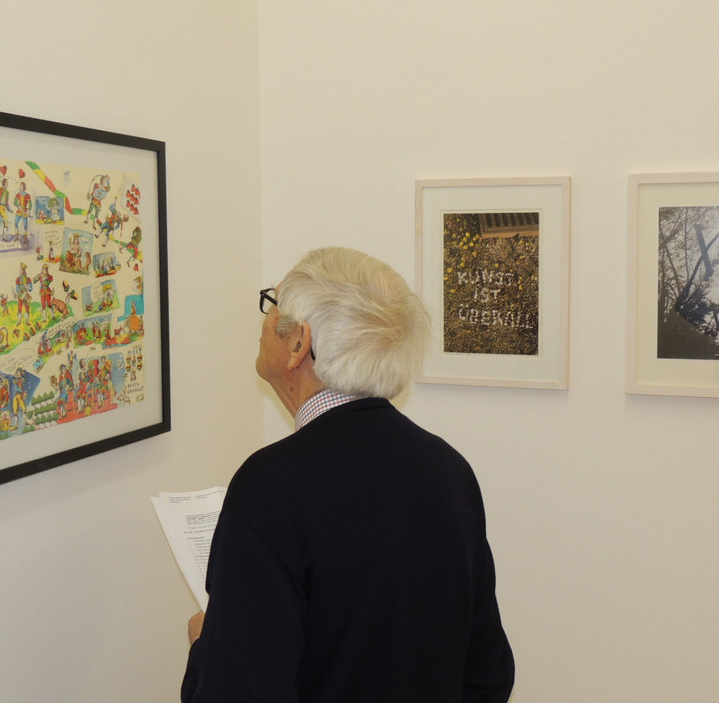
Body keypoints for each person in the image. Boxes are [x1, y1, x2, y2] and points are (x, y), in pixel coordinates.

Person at [181, 247, 514, 703]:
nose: (263, 321)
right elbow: (488, 676)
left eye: (272, 304)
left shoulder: (270, 487)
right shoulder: (448, 469)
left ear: (298, 344)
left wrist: (205, 646)